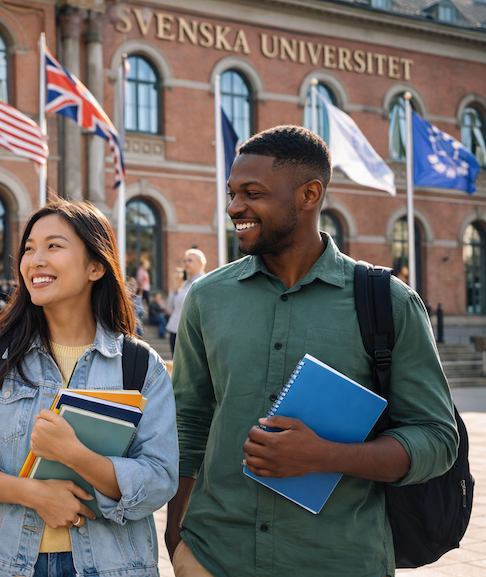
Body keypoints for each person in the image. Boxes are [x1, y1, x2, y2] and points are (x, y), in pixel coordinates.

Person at [164, 125, 458, 577]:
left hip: (338, 560)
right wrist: (178, 535)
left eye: (252, 192)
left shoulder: (390, 303)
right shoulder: (207, 298)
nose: (234, 207)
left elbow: (437, 439)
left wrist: (325, 456)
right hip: (214, 555)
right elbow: (190, 419)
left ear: (309, 194)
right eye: (232, 193)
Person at [0, 199, 178, 577]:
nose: (35, 260)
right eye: (29, 248)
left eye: (53, 246)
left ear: (95, 266)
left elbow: (160, 478)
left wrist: (76, 456)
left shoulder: (140, 365)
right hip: (2, 565)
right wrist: (34, 495)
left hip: (113, 567)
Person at [165, 249, 206, 355]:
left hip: (189, 334)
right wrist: (174, 288)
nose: (186, 263)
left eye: (190, 260)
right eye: (184, 261)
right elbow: (169, 309)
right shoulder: (184, 284)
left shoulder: (204, 282)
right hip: (175, 330)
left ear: (200, 263)